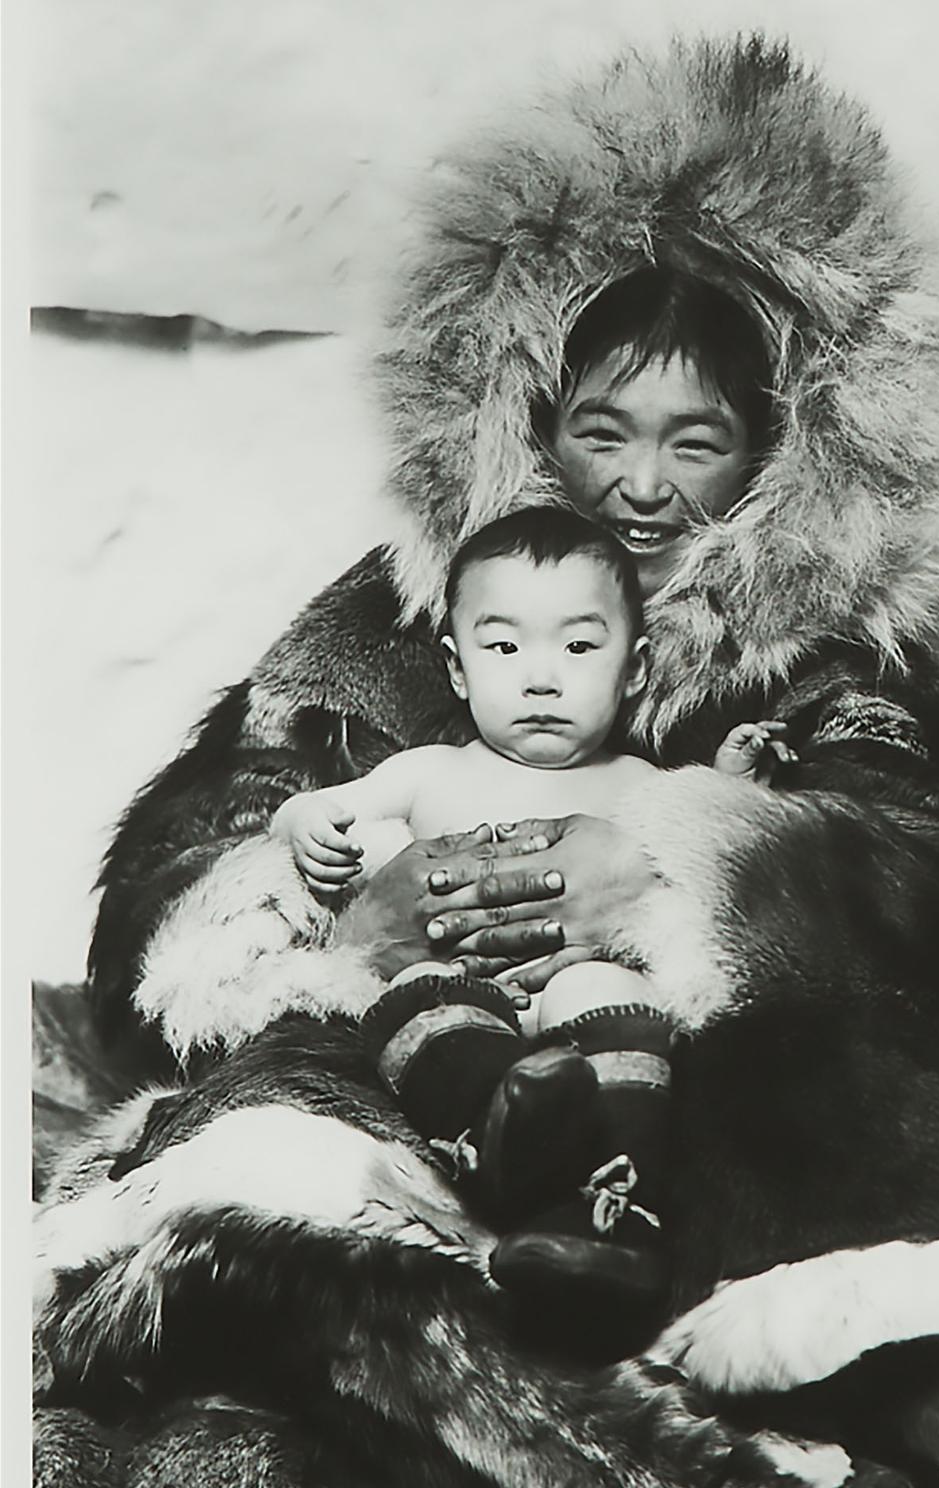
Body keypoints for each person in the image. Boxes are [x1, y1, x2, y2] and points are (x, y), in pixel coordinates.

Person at [34, 35, 939, 1488]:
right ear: (525, 420)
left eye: (696, 445)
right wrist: (320, 895)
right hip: (446, 1075)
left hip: (698, 1114)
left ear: (784, 448)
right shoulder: (411, 619)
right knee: (271, 1184)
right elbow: (195, 848)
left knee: (857, 1164)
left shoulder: (827, 659)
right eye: (600, 430)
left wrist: (697, 869)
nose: (636, 483)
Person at [271, 501, 791, 1301]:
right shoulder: (427, 772)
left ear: (636, 667)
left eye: (580, 646)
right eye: (503, 646)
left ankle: (610, 1205)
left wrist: (732, 791)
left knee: (614, 992)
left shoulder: (639, 785)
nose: (540, 676)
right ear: (456, 667)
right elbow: (315, 806)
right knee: (413, 995)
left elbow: (699, 860)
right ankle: (495, 1129)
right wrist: (306, 821)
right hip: (457, 1001)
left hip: (571, 1000)